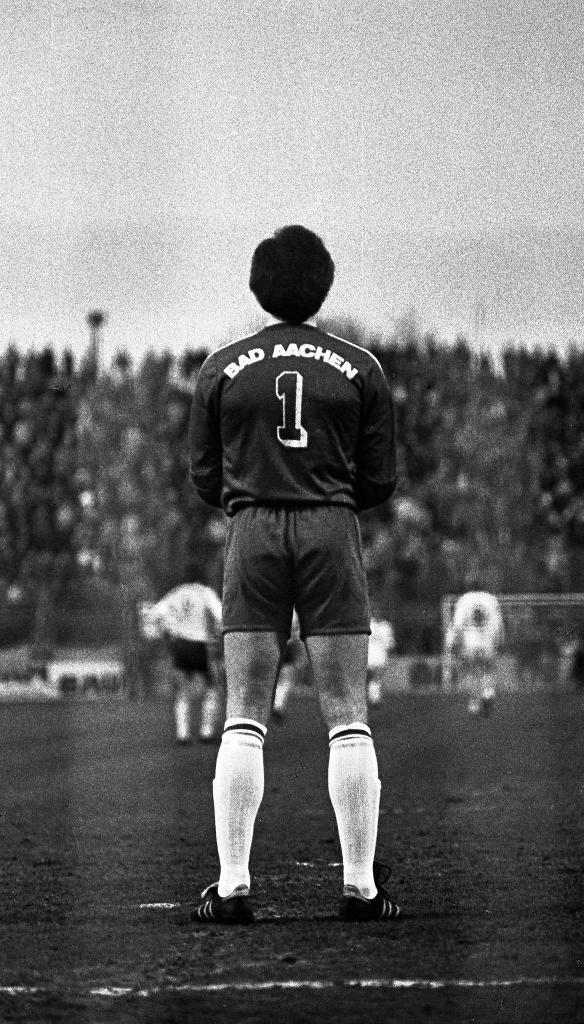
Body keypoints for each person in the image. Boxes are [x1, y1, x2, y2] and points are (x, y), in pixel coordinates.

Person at [188, 224, 399, 924]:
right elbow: (380, 479)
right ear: (323, 286)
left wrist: (256, 494)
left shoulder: (220, 367)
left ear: (259, 286)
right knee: (346, 711)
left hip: (252, 532)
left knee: (244, 710)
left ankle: (234, 885)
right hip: (330, 529)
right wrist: (324, 493)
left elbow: (204, 477)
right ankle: (361, 886)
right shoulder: (360, 366)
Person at [140, 572, 225, 744]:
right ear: (202, 579)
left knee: (182, 690)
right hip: (200, 644)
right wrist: (218, 633)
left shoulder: (177, 592)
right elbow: (221, 615)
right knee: (212, 686)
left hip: (180, 645)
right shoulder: (205, 592)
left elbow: (154, 614)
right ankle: (206, 732)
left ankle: (182, 734)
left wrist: (166, 630)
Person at [445, 585, 504, 715]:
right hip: (487, 643)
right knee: (487, 669)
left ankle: (474, 703)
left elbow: (457, 625)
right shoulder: (490, 599)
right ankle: (488, 693)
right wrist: (498, 642)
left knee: (471, 672)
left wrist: (453, 645)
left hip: (470, 643)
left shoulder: (464, 599)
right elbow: (498, 625)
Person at [366, 613, 395, 709]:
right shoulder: (368, 624)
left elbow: (390, 643)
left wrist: (389, 651)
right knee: (368, 678)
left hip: (380, 656)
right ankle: (371, 698)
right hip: (368, 655)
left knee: (376, 677)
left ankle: (374, 699)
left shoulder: (386, 626)